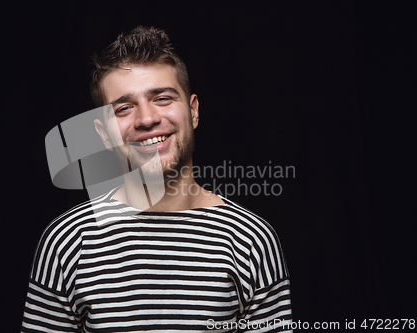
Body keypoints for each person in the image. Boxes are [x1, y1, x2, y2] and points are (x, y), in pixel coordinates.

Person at [22, 26, 292, 332]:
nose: (147, 119)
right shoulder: (67, 242)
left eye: (162, 98)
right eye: (124, 108)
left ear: (193, 112)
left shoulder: (252, 240)